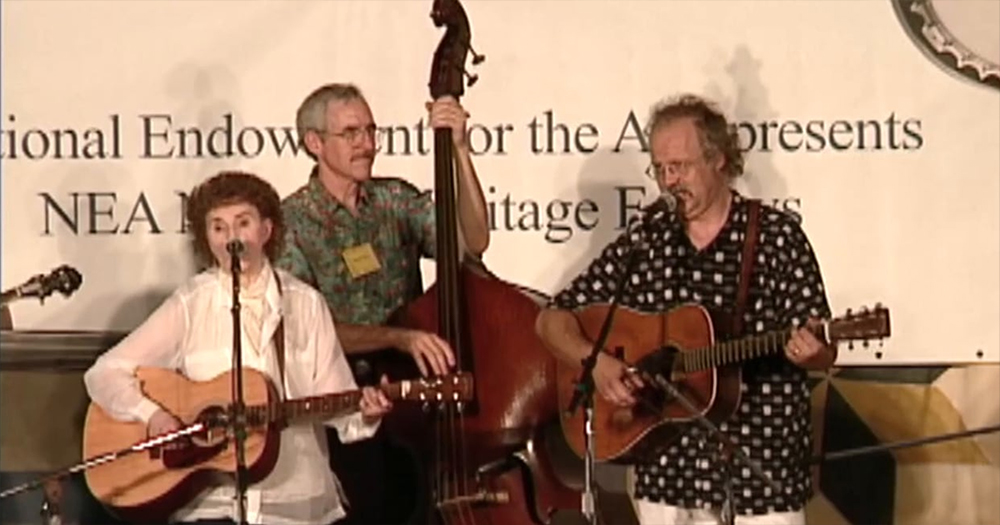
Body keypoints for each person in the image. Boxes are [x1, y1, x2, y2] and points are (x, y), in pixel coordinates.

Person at [535, 94, 836, 525]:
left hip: (759, 469)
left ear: (718, 160)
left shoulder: (775, 238)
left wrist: (816, 351)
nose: (669, 180)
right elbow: (552, 320)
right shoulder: (648, 241)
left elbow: (823, 350)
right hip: (665, 473)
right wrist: (597, 364)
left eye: (680, 166)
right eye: (659, 169)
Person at [83, 170, 393, 525]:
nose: (232, 237)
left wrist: (366, 412)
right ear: (206, 238)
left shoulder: (305, 304)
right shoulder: (192, 303)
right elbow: (104, 372)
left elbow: (337, 400)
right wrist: (153, 415)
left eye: (242, 223)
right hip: (211, 505)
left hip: (294, 501)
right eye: (218, 227)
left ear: (266, 230)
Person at [275, 83, 491, 524]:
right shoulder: (291, 222)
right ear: (314, 143)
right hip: (343, 401)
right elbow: (305, 330)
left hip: (415, 393)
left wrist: (460, 152)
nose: (367, 144)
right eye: (351, 133)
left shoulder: (394, 200)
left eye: (371, 131)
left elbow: (473, 243)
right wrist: (399, 336)